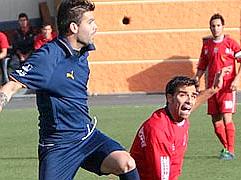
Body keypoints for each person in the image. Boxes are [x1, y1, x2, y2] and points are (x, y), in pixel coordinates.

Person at [0, 0, 139, 180]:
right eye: (90, 22)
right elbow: (11, 87)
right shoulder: (48, 56)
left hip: (88, 137)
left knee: (125, 163)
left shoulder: (83, 52)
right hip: (58, 146)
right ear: (74, 27)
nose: (95, 27)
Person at [130, 69, 228, 180]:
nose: (189, 101)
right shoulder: (159, 130)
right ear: (169, 98)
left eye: (193, 96)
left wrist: (213, 90)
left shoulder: (177, 115)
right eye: (183, 95)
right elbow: (161, 176)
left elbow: (191, 105)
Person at [193, 13, 241, 160]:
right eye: (213, 26)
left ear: (223, 27)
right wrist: (196, 78)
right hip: (212, 88)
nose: (215, 28)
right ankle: (226, 148)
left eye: (218, 25)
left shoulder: (231, 43)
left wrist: (237, 79)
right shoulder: (207, 45)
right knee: (215, 121)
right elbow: (202, 65)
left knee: (226, 118)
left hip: (227, 88)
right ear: (210, 28)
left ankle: (231, 150)